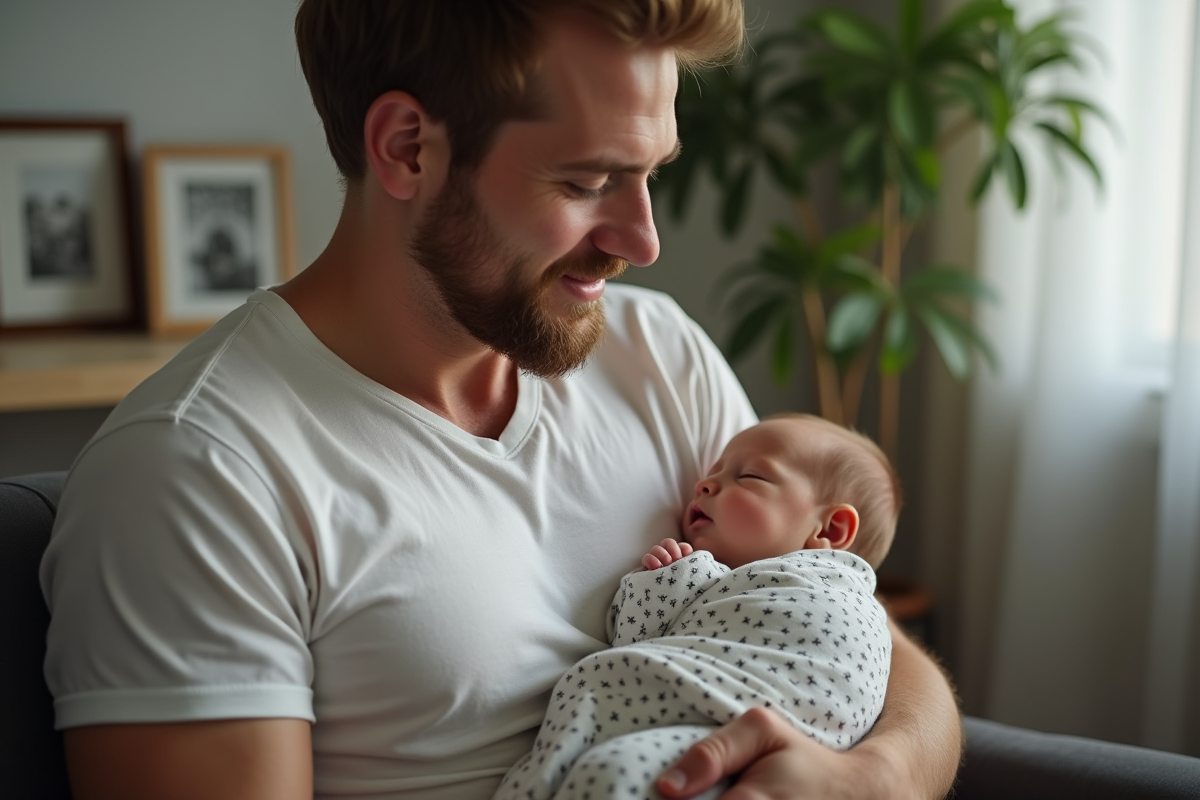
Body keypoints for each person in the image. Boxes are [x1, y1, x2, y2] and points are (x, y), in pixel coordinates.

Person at [39, 3, 962, 799]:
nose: (641, 239)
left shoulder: (658, 352)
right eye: (588, 181)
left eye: (653, 172)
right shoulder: (198, 471)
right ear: (408, 149)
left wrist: (873, 777)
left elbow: (839, 624)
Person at [494, 415, 899, 800]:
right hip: (714, 743)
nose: (704, 484)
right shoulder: (725, 584)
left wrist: (665, 581)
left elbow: (635, 634)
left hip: (752, 744)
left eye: (749, 476)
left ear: (829, 530)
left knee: (610, 774)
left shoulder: (841, 599)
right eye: (714, 472)